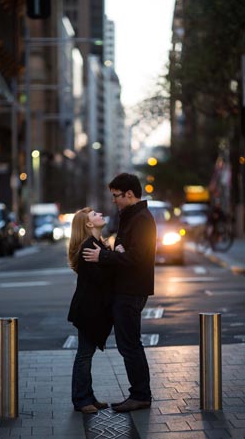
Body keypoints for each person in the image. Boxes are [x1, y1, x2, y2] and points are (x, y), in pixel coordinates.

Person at [83, 173, 157, 412]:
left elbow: (136, 257)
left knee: (130, 345)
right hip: (126, 288)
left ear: (129, 194)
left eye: (116, 196)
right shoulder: (130, 216)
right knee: (129, 344)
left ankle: (140, 395)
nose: (113, 200)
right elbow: (127, 252)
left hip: (132, 290)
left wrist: (104, 256)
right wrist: (119, 251)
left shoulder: (142, 220)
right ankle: (139, 394)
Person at [67, 207, 113, 414]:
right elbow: (103, 280)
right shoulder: (88, 247)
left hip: (92, 309)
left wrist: (110, 254)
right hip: (88, 310)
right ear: (88, 224)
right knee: (84, 354)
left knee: (87, 353)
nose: (100, 214)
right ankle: (81, 399)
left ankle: (88, 396)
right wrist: (113, 258)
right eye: (95, 215)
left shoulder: (96, 244)